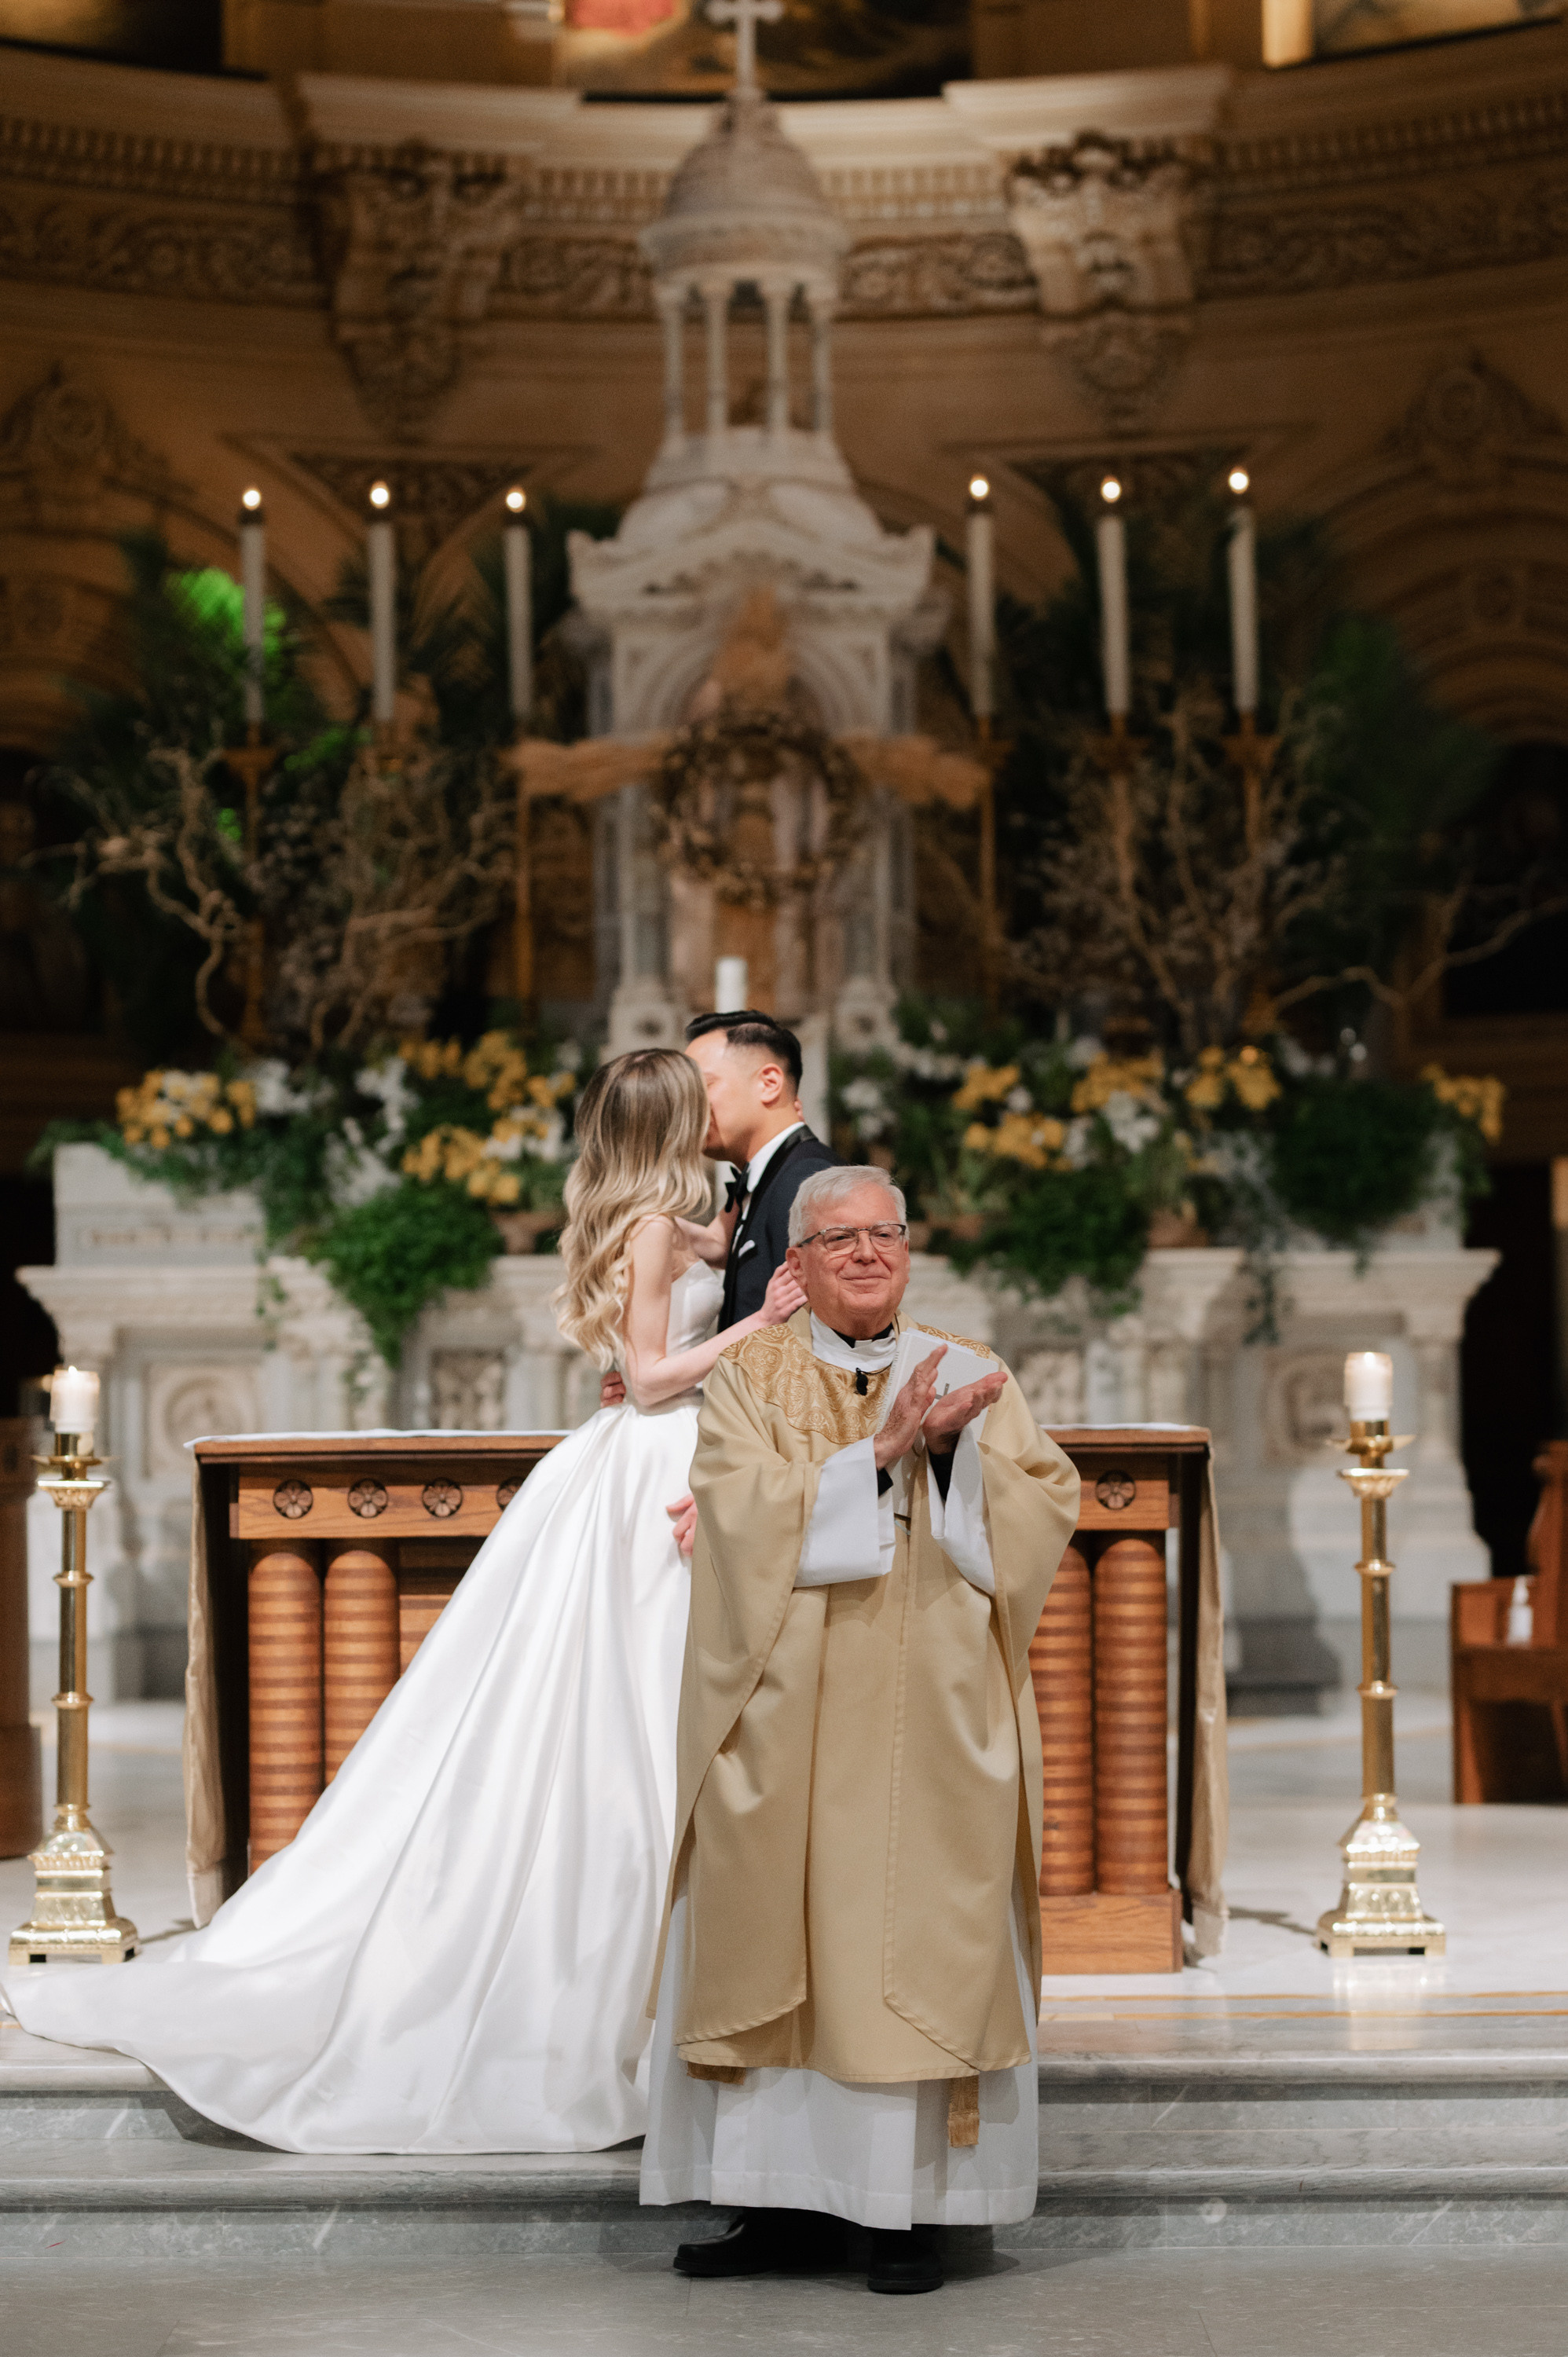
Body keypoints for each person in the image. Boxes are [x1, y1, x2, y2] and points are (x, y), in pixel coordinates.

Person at [0, 1050, 804, 2154]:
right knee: (625, 1717)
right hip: (658, 1456)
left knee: (617, 1712)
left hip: (637, 1457)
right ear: (671, 1123)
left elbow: (706, 1258)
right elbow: (656, 1372)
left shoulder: (666, 1213)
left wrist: (751, 1241)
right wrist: (761, 1327)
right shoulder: (656, 1227)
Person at [639, 1166, 1080, 2293]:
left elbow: (1042, 1508)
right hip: (780, 1718)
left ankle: (903, 2211)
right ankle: (774, 2212)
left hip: (929, 1723)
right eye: (841, 1239)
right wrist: (878, 1455)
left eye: (887, 1233)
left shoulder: (972, 1372)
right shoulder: (751, 1374)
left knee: (907, 1943)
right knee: (774, 1945)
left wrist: (945, 1450)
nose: (870, 1253)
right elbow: (731, 1517)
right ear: (799, 1259)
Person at [602, 1008, 836, 1557]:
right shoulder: (760, 1183)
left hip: (768, 1482)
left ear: (769, 1082)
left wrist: (742, 1485)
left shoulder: (807, 1183)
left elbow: (818, 1361)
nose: (688, 1107)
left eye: (701, 1087)